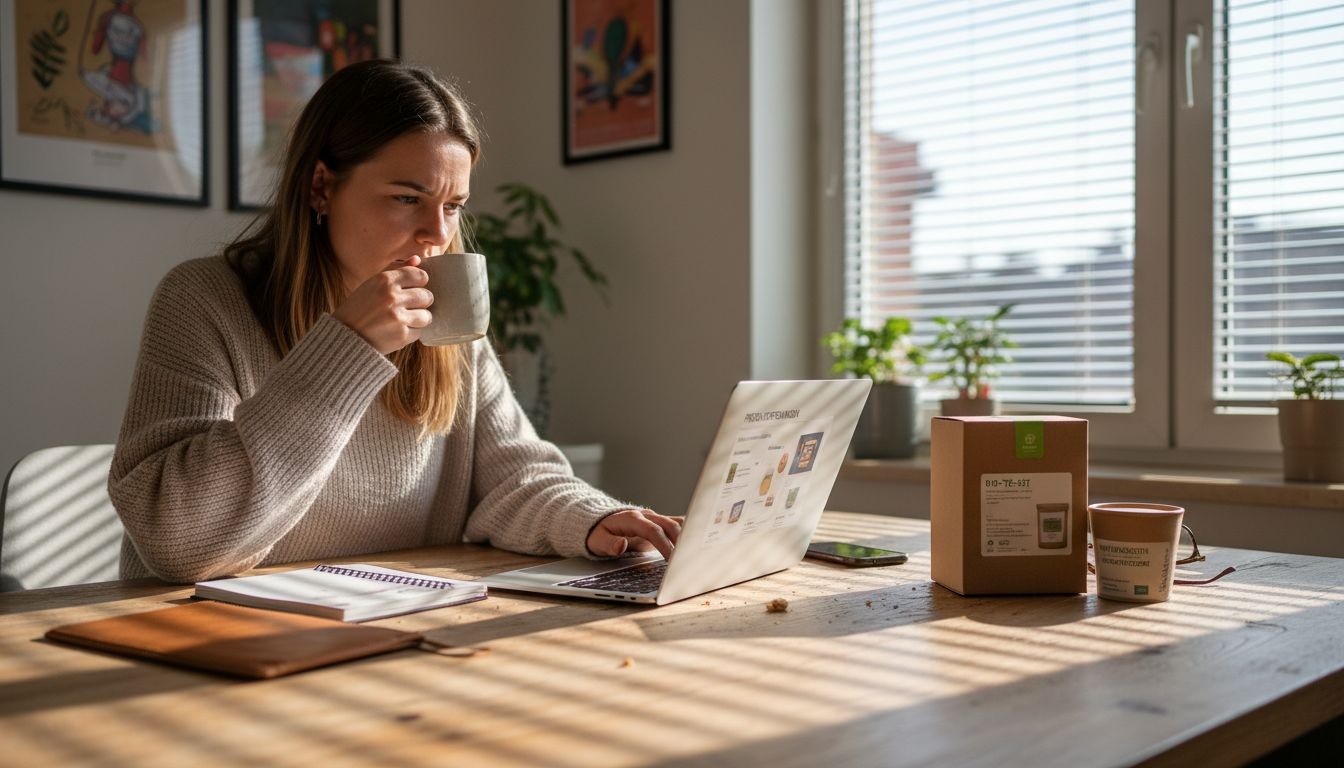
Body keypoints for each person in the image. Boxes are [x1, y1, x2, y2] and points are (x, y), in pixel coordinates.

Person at [109, 60, 679, 582]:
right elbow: (177, 540)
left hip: (387, 634)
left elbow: (513, 479)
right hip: (210, 648)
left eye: (453, 205)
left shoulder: (446, 316)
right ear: (321, 186)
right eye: (408, 198)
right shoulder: (203, 301)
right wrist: (345, 350)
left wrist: (596, 520)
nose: (438, 233)